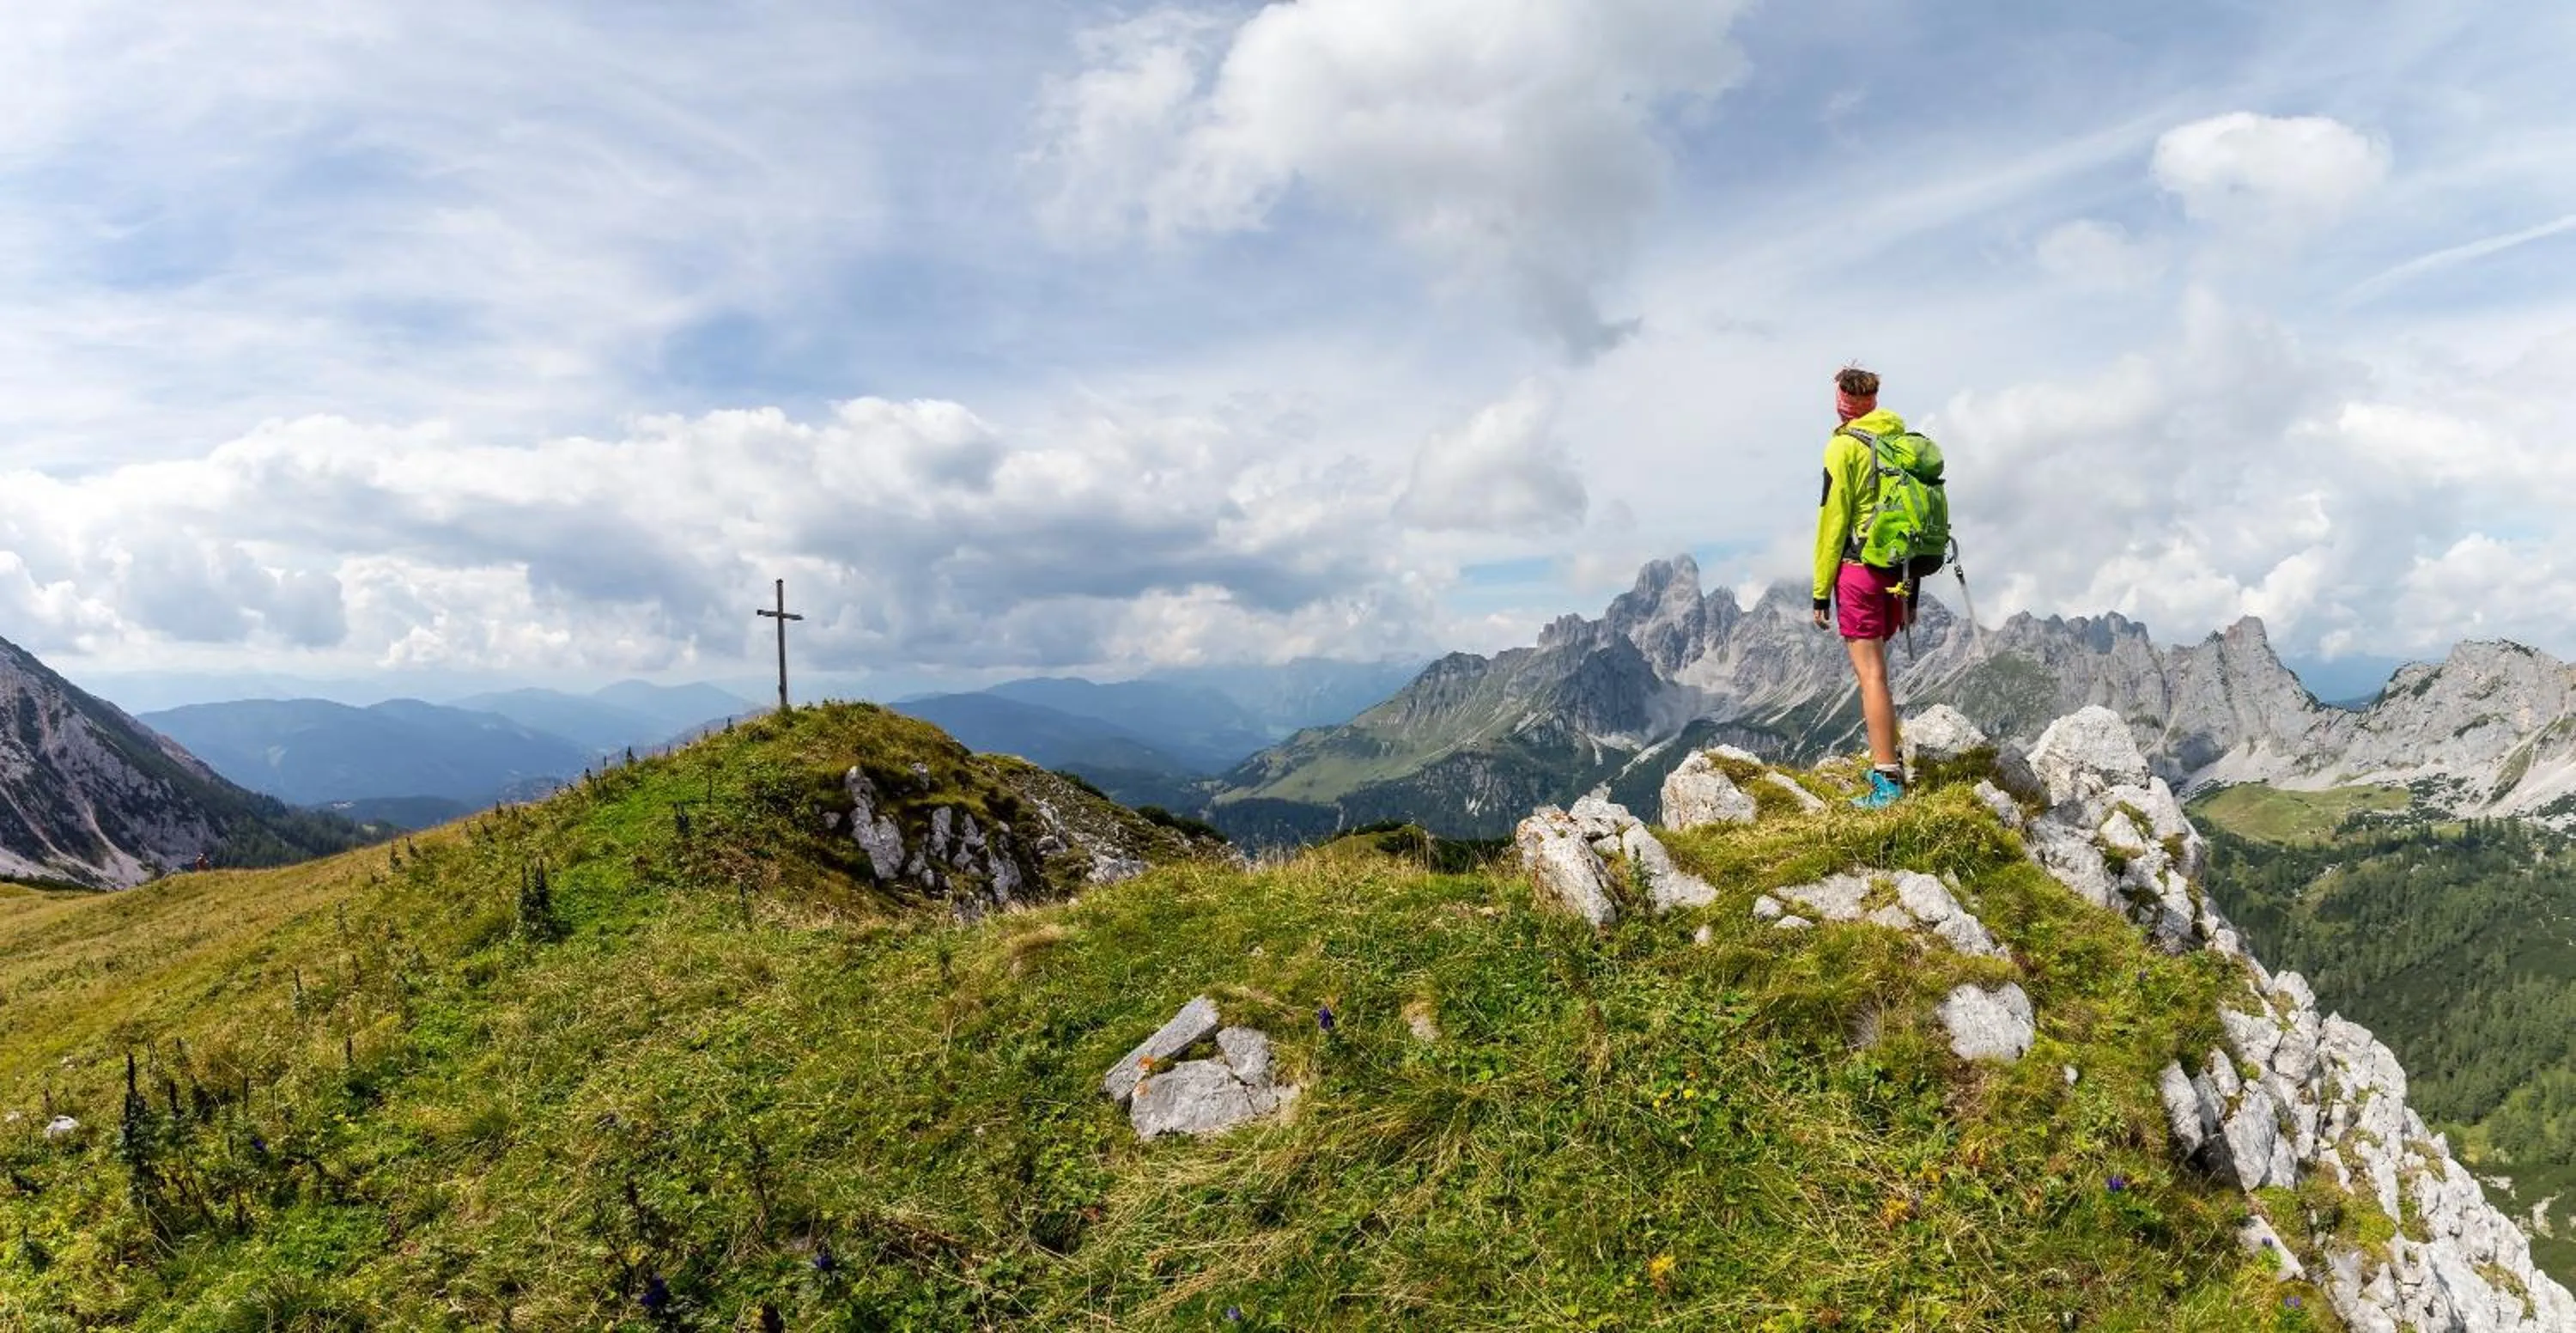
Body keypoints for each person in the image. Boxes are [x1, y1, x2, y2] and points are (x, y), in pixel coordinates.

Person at [1810, 365, 1911, 810]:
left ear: (1841, 401)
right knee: (1881, 673)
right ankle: (1891, 757)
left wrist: (1819, 591)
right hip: (1901, 570)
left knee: (1871, 675)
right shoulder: (1900, 439)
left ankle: (1887, 782)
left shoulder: (1843, 448)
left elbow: (1832, 520)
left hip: (1860, 570)